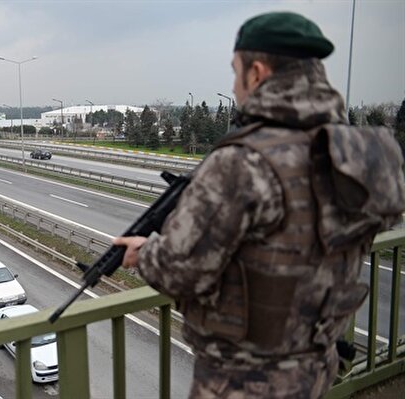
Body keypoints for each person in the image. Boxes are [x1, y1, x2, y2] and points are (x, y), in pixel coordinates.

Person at [114, 12, 405, 399]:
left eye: (236, 73)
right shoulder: (356, 151)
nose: (234, 87)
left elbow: (182, 271)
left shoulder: (241, 162)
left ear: (257, 73)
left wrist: (144, 254)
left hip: (244, 381)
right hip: (316, 365)